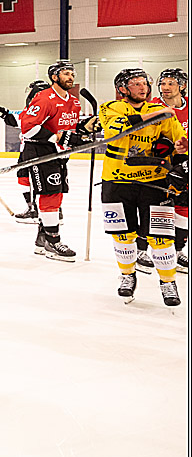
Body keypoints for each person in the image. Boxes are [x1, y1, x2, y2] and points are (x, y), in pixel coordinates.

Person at [100, 68, 188, 307]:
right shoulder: (111, 108)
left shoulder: (160, 111)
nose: (143, 88)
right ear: (123, 89)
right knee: (123, 235)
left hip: (155, 184)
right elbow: (116, 130)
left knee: (161, 238)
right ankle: (127, 276)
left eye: (144, 83)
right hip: (116, 182)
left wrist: (181, 151)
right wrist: (162, 114)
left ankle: (168, 282)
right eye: (136, 84)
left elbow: (179, 143)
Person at [18, 61, 85, 261]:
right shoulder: (44, 98)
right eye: (66, 73)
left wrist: (85, 129)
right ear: (54, 77)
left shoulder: (74, 101)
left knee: (56, 196)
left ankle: (42, 239)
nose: (71, 77)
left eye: (72, 73)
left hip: (60, 155)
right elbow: (27, 127)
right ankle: (52, 240)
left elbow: (68, 128)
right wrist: (58, 138)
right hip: (41, 151)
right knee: (50, 196)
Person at [0, 79, 52, 222]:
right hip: (29, 151)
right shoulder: (36, 108)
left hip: (37, 151)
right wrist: (4, 114)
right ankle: (36, 208)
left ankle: (42, 210)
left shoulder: (44, 108)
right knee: (24, 176)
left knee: (40, 181)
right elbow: (19, 121)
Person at [149, 68, 189, 273]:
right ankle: (141, 249)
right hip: (158, 165)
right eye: (163, 83)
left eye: (171, 83)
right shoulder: (154, 106)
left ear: (182, 86)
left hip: (184, 165)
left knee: (184, 207)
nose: (165, 87)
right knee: (156, 206)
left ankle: (178, 249)